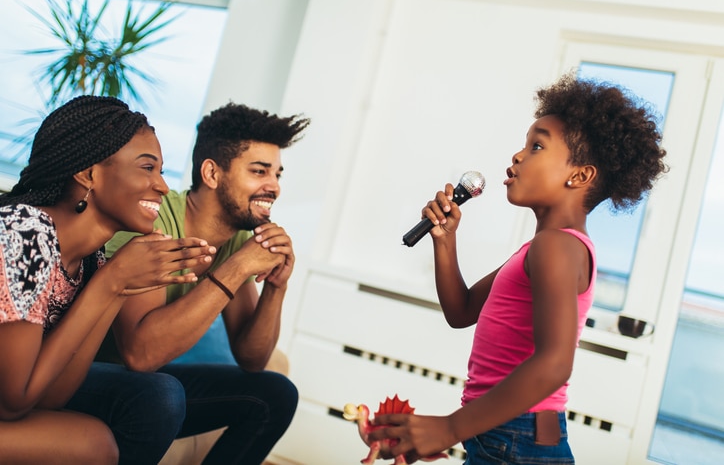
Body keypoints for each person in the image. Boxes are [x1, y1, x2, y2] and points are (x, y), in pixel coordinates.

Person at [367, 73, 668, 464]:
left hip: (517, 434)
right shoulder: (542, 248)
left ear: (579, 175)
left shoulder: (556, 247)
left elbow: (555, 363)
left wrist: (450, 427)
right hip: (511, 430)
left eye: (537, 146)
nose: (518, 155)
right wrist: (445, 240)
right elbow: (461, 312)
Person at [81, 102, 310, 464]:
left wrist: (276, 288)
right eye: (259, 171)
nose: (274, 187)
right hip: (83, 375)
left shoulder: (235, 238)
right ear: (212, 173)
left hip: (141, 385)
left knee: (274, 394)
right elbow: (140, 356)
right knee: (162, 392)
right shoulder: (152, 222)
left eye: (277, 174)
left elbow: (252, 359)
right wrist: (237, 268)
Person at [0, 96, 213, 463]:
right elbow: (13, 404)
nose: (162, 186)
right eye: (147, 167)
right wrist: (110, 283)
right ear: (88, 174)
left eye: (161, 171)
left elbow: (53, 398)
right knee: (93, 444)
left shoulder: (89, 262)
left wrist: (118, 286)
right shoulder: (26, 233)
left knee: (110, 429)